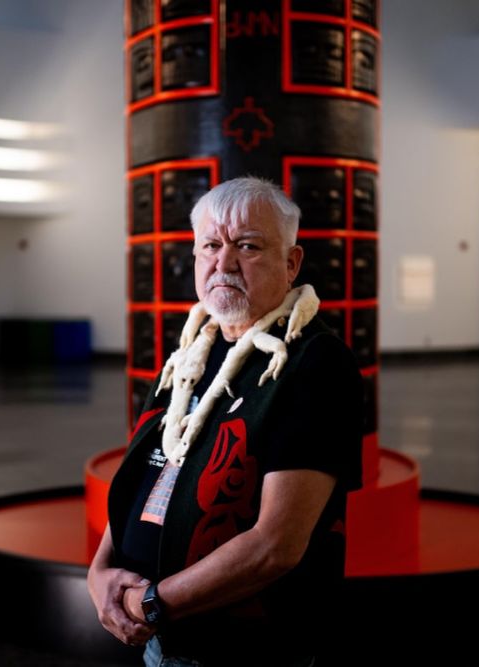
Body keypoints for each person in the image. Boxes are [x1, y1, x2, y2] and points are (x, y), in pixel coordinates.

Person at [87, 177, 363, 666]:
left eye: (248, 246)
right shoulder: (193, 352)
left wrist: (153, 603)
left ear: (291, 263)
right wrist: (100, 571)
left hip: (247, 650)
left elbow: (275, 545)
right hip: (161, 632)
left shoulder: (314, 362)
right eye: (210, 245)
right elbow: (151, 471)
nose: (224, 262)